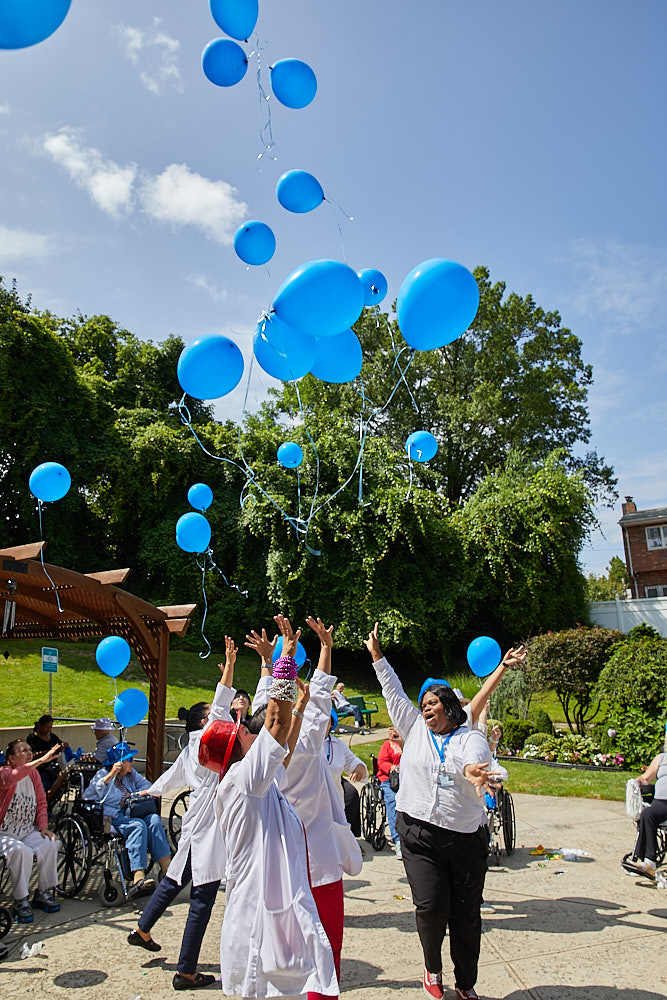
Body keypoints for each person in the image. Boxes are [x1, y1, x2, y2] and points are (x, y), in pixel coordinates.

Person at [365, 623, 501, 1000]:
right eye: (422, 704)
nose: (424, 708)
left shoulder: (468, 735)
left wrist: (475, 772)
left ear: (451, 708)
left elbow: (471, 759)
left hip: (465, 840)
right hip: (418, 834)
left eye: (432, 704)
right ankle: (433, 968)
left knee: (466, 916)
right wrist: (377, 655)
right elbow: (392, 690)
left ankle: (466, 983)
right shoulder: (413, 728)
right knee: (430, 907)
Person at [204, 618, 338, 1000]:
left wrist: (298, 706)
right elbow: (275, 724)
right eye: (242, 730)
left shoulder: (255, 781)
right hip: (256, 928)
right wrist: (286, 659)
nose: (248, 728)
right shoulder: (244, 782)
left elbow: (285, 748)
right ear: (236, 748)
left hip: (269, 920)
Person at [246, 616, 363, 1000]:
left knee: (281, 949)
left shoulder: (257, 764)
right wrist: (325, 649)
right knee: (326, 946)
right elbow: (314, 700)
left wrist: (273, 662)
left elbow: (270, 710)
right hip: (317, 864)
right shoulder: (311, 743)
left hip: (278, 866)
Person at [128, 638, 238, 990]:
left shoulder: (192, 745)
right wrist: (231, 665)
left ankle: (142, 928)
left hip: (196, 821)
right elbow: (221, 708)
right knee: (203, 895)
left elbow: (169, 778)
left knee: (177, 878)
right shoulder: (208, 738)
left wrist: (149, 789)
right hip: (206, 821)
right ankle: (187, 970)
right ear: (204, 721)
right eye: (211, 714)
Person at [84, 742, 171, 896]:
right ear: (120, 763)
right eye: (129, 759)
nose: (133, 762)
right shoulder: (103, 774)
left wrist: (133, 796)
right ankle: (138, 875)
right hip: (112, 817)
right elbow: (97, 792)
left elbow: (148, 786)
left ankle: (167, 869)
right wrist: (111, 774)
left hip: (132, 813)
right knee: (138, 826)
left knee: (155, 820)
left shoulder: (131, 775)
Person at [0, 739, 63, 922]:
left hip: (26, 830)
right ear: (11, 758)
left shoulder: (34, 775)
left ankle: (43, 892)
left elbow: (41, 803)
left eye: (29, 750)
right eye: (22, 751)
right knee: (22, 852)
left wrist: (43, 827)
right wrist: (41, 760)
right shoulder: (4, 772)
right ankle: (21, 899)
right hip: (4, 832)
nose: (28, 753)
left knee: (51, 843)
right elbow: (14, 776)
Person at [322, 708, 367, 838]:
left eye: (326, 719)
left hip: (334, 804)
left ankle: (352, 838)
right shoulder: (299, 743)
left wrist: (359, 768)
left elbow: (353, 762)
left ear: (331, 723)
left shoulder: (337, 745)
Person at [624, 745, 667, 879]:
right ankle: (648, 862)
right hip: (660, 803)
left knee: (648, 815)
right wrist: (634, 783)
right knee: (647, 814)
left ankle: (647, 861)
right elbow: (646, 778)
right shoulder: (661, 758)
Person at [26, 714, 68, 800]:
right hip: (40, 769)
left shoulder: (52, 736)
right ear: (40, 726)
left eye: (50, 727)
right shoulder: (32, 738)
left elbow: (59, 744)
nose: (49, 730)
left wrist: (62, 746)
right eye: (47, 727)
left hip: (54, 768)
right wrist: (49, 752)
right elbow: (32, 756)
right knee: (42, 790)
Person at [377, 727, 403, 857]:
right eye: (392, 730)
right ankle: (397, 840)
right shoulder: (387, 746)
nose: (394, 733)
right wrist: (391, 768)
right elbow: (382, 762)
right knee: (393, 802)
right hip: (389, 780)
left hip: (405, 780)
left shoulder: (408, 743)